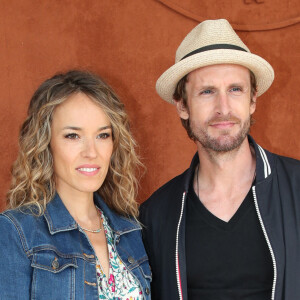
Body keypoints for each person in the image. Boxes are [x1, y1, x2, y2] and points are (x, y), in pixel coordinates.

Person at [140, 19, 300, 300]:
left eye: (235, 89)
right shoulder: (156, 216)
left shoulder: (297, 189)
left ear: (253, 100)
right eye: (207, 91)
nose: (223, 108)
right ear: (182, 105)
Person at [0, 70, 151, 299]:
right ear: (45, 142)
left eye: (102, 135)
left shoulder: (130, 229)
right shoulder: (17, 232)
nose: (91, 152)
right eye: (73, 136)